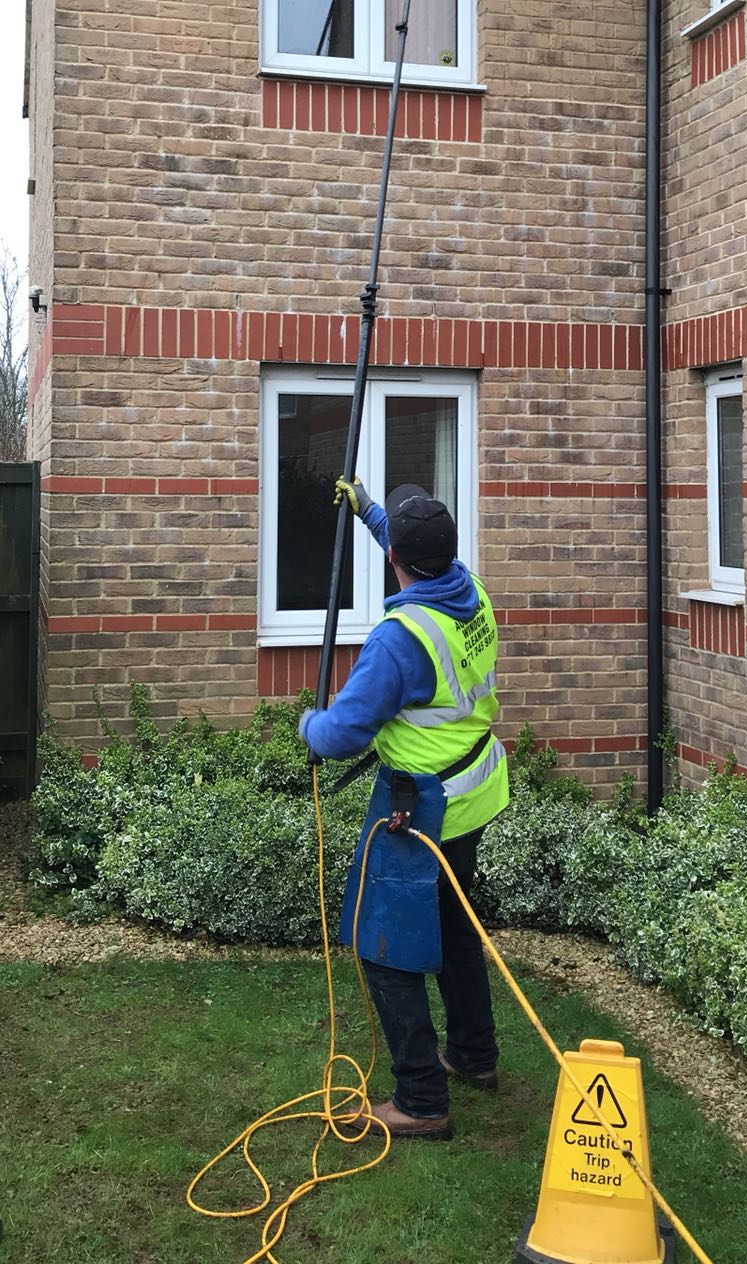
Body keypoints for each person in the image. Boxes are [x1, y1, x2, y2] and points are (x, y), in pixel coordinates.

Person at [299, 479, 509, 1143]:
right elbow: (406, 539)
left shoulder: (399, 641)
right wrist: (367, 508)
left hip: (422, 809)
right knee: (453, 926)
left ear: (398, 560)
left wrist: (309, 725)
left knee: (383, 946)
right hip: (475, 793)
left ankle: (420, 1097)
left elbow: (342, 735)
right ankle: (474, 1056)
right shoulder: (469, 590)